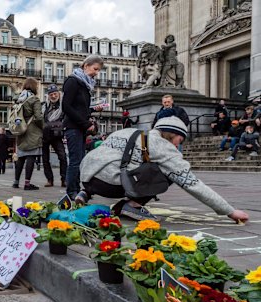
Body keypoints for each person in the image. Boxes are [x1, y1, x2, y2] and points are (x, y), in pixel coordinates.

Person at [77, 116, 249, 224]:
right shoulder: (162, 146)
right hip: (109, 184)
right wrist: (229, 211)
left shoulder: (129, 131)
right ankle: (133, 205)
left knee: (127, 163)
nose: (178, 145)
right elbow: (191, 183)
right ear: (171, 134)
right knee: (168, 174)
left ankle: (84, 194)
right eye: (179, 140)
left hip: (87, 176)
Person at [62, 55, 105, 199]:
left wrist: (93, 110)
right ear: (86, 65)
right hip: (73, 127)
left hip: (79, 128)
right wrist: (86, 124)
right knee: (75, 160)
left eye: (98, 70)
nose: (96, 73)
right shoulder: (73, 81)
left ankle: (76, 189)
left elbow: (80, 108)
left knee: (80, 160)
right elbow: (66, 106)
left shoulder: (85, 85)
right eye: (95, 69)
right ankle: (71, 192)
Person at [12, 77, 43, 190]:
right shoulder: (34, 99)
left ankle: (16, 182)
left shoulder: (19, 98)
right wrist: (42, 127)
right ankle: (27, 183)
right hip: (32, 130)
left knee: (20, 157)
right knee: (31, 156)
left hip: (21, 129)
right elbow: (39, 117)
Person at [41, 84, 67, 188]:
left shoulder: (63, 106)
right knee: (45, 159)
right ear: (48, 96)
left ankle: (64, 179)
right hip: (45, 135)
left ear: (59, 94)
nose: (53, 96)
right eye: (51, 94)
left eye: (55, 93)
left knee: (63, 157)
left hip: (57, 135)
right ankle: (49, 180)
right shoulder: (44, 106)